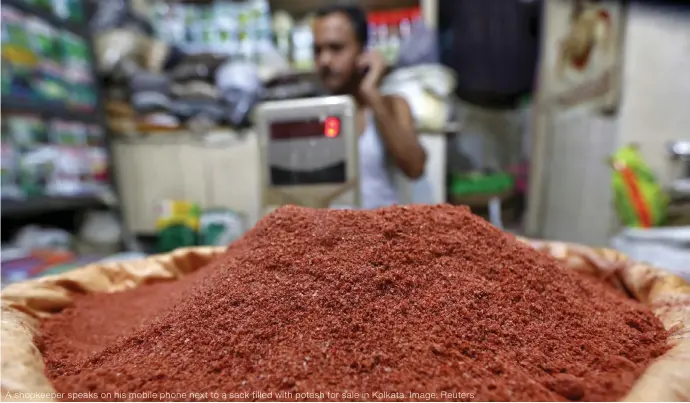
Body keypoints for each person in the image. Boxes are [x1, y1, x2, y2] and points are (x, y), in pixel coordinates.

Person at [312, 4, 431, 209]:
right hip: (331, 235)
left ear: (362, 51)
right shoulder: (311, 114)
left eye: (336, 48)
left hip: (384, 234)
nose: (324, 60)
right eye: (317, 50)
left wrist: (372, 95)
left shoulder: (392, 105)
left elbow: (415, 168)